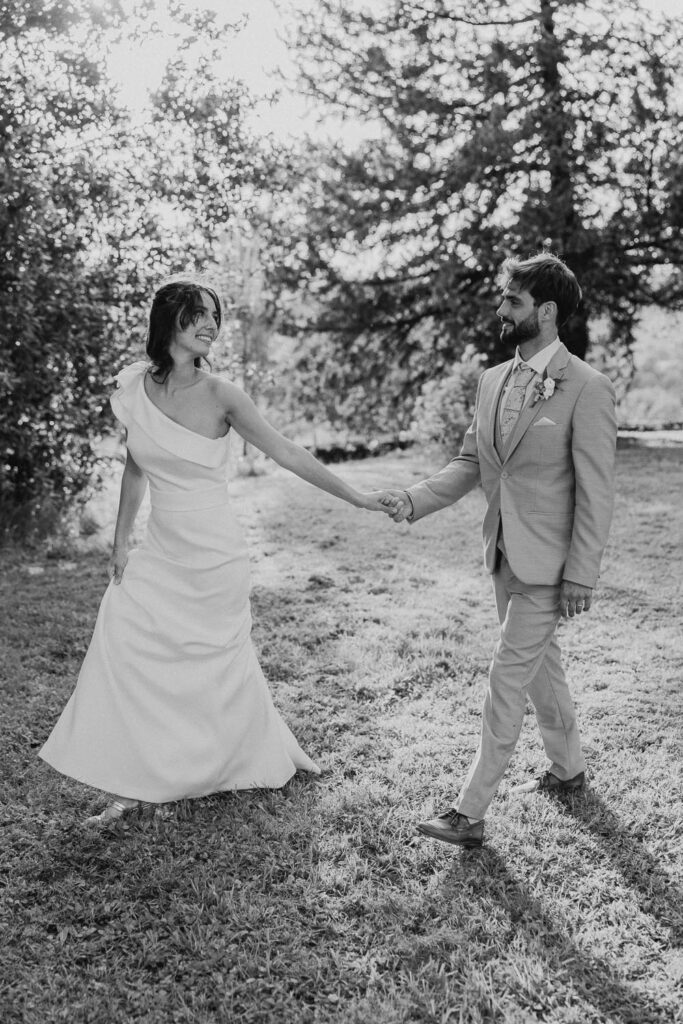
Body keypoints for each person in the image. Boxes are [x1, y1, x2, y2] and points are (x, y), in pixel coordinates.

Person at [39, 278, 398, 824]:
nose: (211, 325)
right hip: (160, 548)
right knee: (128, 643)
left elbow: (286, 452)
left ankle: (213, 764)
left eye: (215, 315)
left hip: (214, 555)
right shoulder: (136, 389)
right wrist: (120, 542)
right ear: (169, 320)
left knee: (212, 666)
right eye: (199, 314)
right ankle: (139, 779)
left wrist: (359, 497)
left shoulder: (223, 395)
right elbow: (135, 468)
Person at [385, 253, 617, 849]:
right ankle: (569, 768)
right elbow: (471, 462)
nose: (500, 309)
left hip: (550, 565)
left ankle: (469, 813)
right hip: (502, 553)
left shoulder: (587, 387)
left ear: (547, 311)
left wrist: (582, 573)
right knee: (541, 669)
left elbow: (596, 491)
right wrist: (413, 500)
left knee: (506, 677)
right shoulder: (492, 380)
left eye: (512, 300)